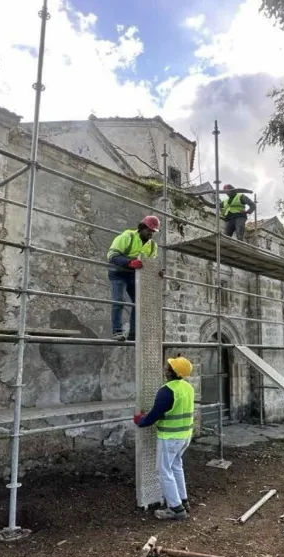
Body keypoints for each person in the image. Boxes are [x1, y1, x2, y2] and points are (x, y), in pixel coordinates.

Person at [134, 356, 195, 521]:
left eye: (168, 367)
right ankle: (183, 501)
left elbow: (155, 414)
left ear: (171, 372)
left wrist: (141, 421)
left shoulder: (167, 390)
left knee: (164, 471)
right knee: (176, 467)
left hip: (170, 437)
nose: (165, 369)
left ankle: (175, 509)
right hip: (185, 436)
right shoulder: (188, 387)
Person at [107, 216, 160, 341]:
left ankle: (133, 334)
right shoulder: (127, 237)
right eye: (149, 230)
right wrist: (129, 262)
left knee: (138, 303)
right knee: (118, 301)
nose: (151, 233)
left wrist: (158, 272)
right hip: (118, 272)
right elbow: (112, 256)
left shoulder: (152, 246)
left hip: (133, 274)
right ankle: (117, 332)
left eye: (153, 231)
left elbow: (150, 263)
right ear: (141, 228)